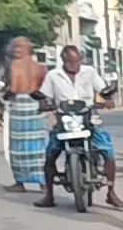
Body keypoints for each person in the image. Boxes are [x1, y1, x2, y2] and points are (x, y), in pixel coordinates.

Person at [40, 43, 117, 205]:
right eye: (70, 63)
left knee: (107, 150)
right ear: (63, 61)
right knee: (50, 154)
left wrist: (107, 99)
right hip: (64, 118)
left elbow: (102, 90)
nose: (74, 66)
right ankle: (49, 195)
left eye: (77, 62)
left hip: (88, 116)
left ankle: (111, 192)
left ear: (81, 60)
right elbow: (45, 95)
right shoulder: (53, 75)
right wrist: (45, 104)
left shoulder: (89, 72)